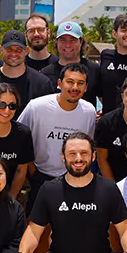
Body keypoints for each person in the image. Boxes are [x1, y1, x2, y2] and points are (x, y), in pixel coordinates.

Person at [16, 63, 98, 207]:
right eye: (70, 82)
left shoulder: (89, 111)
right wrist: (31, 169)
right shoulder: (37, 106)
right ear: (60, 83)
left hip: (73, 177)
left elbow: (89, 145)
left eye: (80, 83)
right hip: (39, 176)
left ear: (86, 88)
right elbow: (18, 136)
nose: (75, 88)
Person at [0, 29, 55, 105]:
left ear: (26, 51)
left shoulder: (42, 84)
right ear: (1, 50)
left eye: (18, 50)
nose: (14, 54)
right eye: (9, 49)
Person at [40, 21, 103, 110]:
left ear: (81, 42)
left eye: (73, 40)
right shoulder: (45, 73)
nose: (68, 45)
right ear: (56, 42)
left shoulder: (95, 70)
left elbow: (106, 101)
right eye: (63, 40)